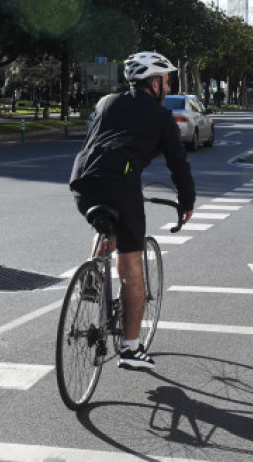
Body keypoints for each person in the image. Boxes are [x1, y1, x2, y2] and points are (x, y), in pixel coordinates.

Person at [69, 51, 195, 370]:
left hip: (82, 179)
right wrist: (186, 202)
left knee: (104, 224)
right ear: (153, 83)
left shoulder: (106, 102)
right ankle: (130, 348)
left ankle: (92, 278)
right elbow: (178, 164)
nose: (168, 87)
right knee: (131, 268)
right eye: (166, 81)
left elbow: (99, 139)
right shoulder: (160, 117)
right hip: (121, 185)